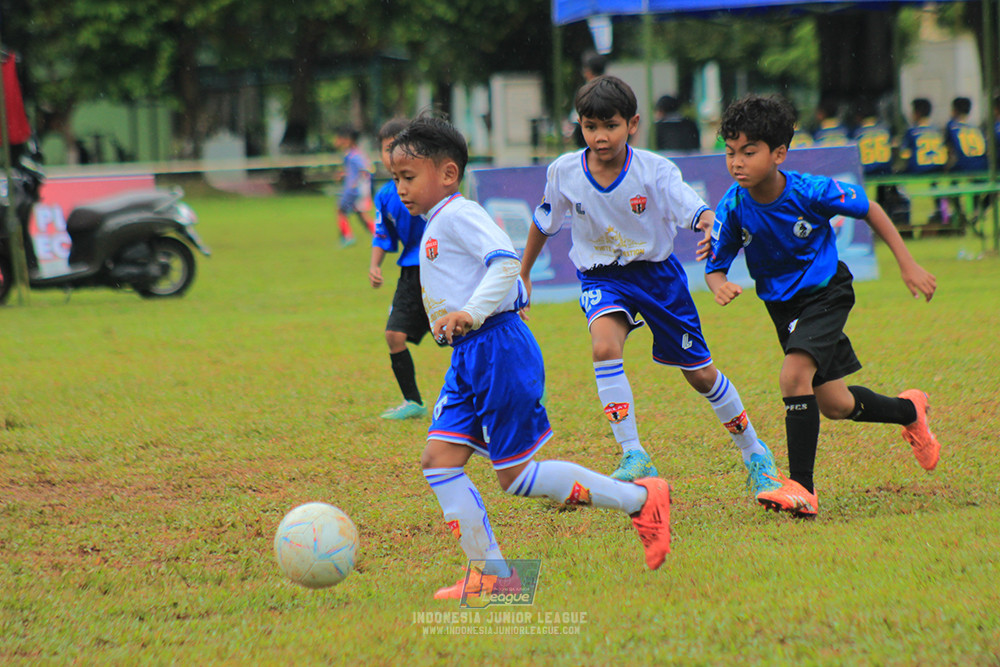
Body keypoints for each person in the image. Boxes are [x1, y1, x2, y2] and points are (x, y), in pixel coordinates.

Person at [388, 115, 673, 599]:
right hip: (470, 357)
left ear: (449, 174)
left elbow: (505, 264)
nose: (400, 189)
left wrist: (471, 313)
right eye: (394, 178)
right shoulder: (438, 223)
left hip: (498, 349)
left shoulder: (460, 214)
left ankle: (640, 498)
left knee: (514, 477)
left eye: (408, 177)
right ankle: (496, 576)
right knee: (438, 461)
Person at [519, 76, 781, 498]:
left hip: (657, 277)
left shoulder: (654, 170)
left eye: (611, 125)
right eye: (590, 126)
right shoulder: (565, 171)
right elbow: (543, 221)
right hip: (602, 276)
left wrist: (709, 223)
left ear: (633, 124)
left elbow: (692, 207)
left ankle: (756, 453)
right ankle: (633, 454)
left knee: (700, 374)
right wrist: (525, 273)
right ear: (579, 126)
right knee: (604, 346)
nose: (600, 136)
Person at [706, 93, 941, 518]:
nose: (736, 162)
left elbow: (869, 208)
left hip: (826, 292)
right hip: (783, 307)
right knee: (835, 404)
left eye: (749, 152)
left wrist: (907, 264)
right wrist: (719, 282)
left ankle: (802, 488)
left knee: (793, 375)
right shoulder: (733, 206)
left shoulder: (810, 191)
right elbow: (714, 264)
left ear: (779, 154)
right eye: (730, 152)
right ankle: (911, 409)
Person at [369, 118, 432, 420]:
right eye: (386, 148)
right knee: (394, 335)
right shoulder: (383, 195)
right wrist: (375, 265)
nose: (391, 153)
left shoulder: (431, 185)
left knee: (468, 334)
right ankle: (413, 402)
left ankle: (524, 384)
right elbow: (382, 234)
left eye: (398, 147)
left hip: (441, 268)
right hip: (410, 273)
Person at [335, 127, 376, 247]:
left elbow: (367, 169)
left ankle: (348, 236)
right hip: (357, 189)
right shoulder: (353, 154)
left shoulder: (353, 155)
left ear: (347, 140)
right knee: (361, 215)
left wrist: (355, 182)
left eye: (339, 139)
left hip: (354, 190)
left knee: (341, 210)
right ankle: (380, 236)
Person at [899, 98, 947, 174]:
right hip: (938, 169)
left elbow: (904, 154)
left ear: (917, 113)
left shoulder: (911, 131)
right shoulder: (937, 131)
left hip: (918, 170)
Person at [944, 96, 988, 172]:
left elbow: (948, 150)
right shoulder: (976, 128)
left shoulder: (951, 126)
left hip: (963, 167)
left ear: (954, 110)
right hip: (982, 166)